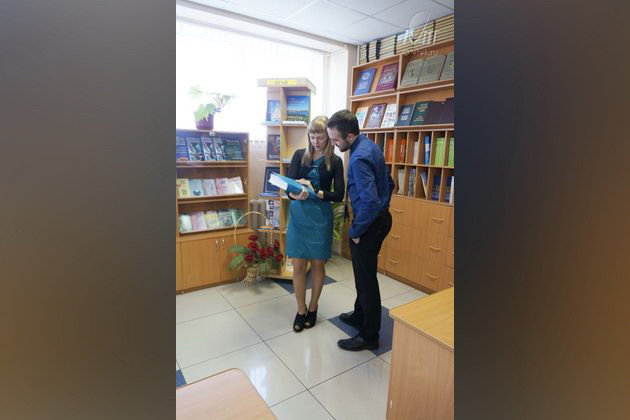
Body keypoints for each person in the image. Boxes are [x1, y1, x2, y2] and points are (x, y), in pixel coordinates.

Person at [327, 110, 394, 351]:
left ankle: (369, 335)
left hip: (369, 224)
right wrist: (383, 206)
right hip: (378, 219)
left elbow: (369, 201)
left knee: (366, 281)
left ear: (350, 135)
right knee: (363, 275)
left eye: (335, 140)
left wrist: (356, 230)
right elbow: (389, 183)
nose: (334, 145)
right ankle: (359, 314)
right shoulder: (370, 146)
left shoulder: (358, 159)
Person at [285, 115, 345, 332]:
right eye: (312, 137)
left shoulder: (335, 162)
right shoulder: (299, 155)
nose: (316, 142)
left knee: (318, 264)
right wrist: (295, 194)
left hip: (320, 218)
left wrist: (316, 192)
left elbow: (339, 194)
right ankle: (301, 309)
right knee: (298, 266)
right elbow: (288, 187)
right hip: (299, 216)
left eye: (320, 138)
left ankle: (313, 306)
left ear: (328, 138)